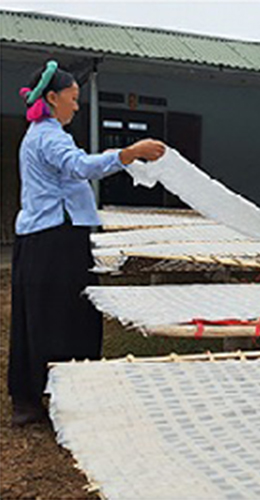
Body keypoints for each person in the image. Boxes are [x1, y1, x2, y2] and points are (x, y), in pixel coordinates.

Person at [9, 60, 167, 426]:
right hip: (55, 241)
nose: (77, 106)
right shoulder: (48, 136)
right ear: (52, 98)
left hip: (46, 239)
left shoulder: (41, 134)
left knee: (43, 318)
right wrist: (129, 153)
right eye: (73, 98)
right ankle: (61, 393)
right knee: (60, 318)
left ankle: (33, 398)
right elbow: (80, 167)